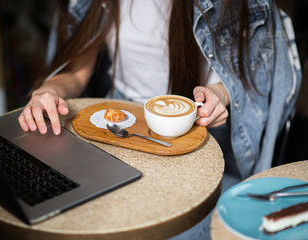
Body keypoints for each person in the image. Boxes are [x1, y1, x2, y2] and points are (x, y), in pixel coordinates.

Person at [18, 0, 301, 239]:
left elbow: (251, 74)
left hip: (202, 134)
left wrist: (222, 94)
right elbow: (77, 72)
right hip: (120, 129)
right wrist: (49, 90)